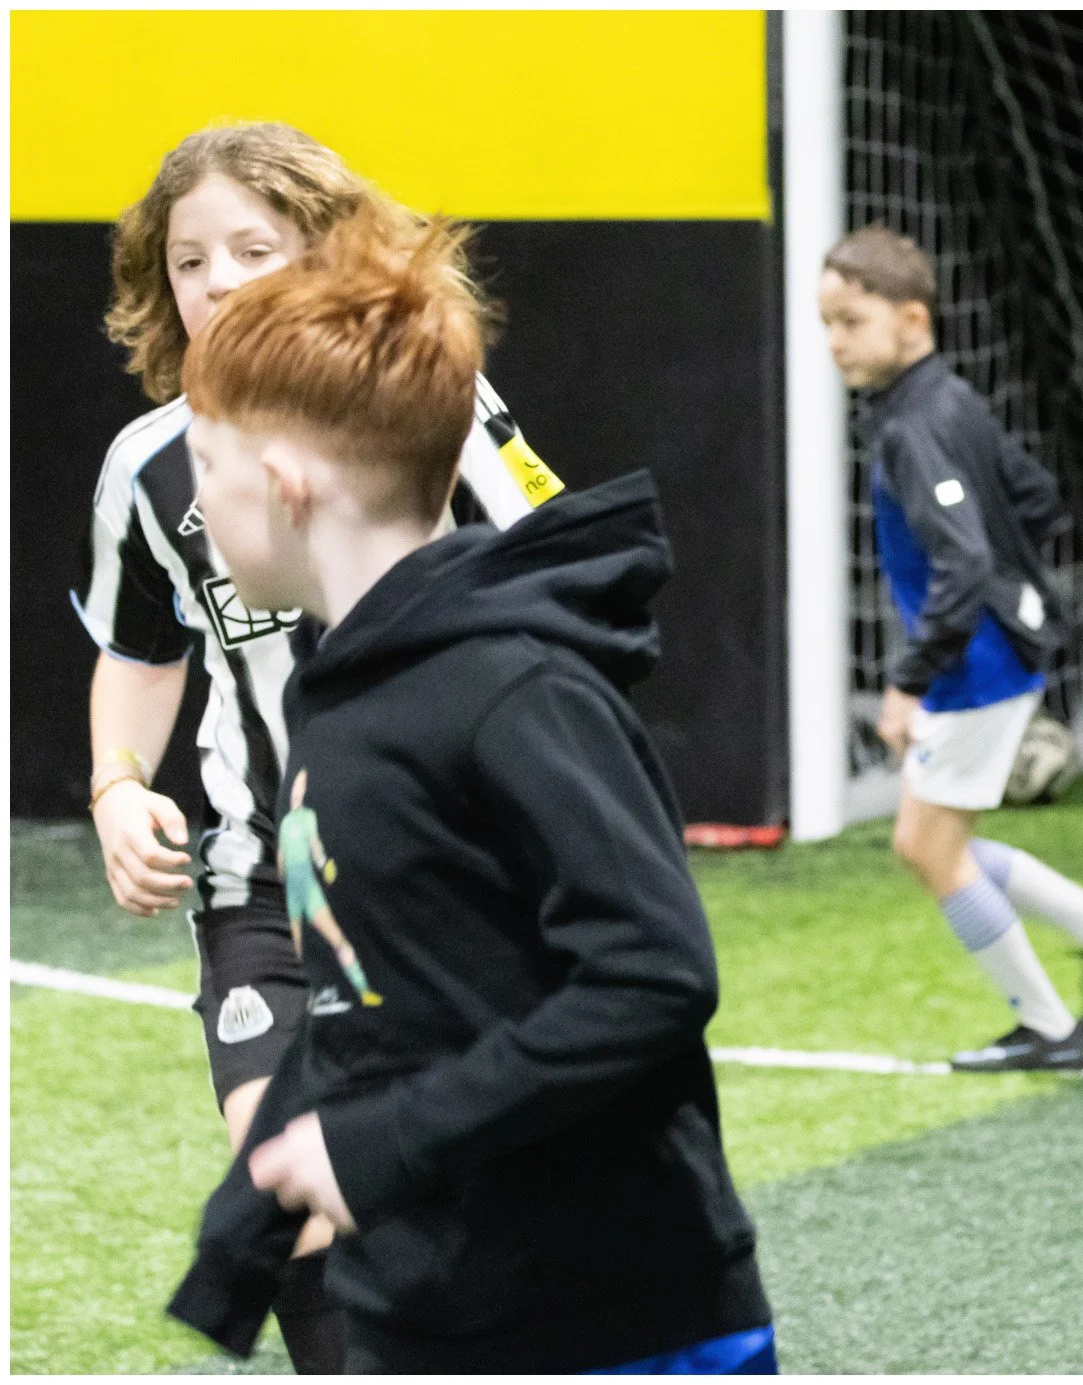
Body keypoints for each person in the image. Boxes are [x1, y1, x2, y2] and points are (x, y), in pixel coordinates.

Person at [165, 210, 773, 1373]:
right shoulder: (331, 702)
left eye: (207, 467)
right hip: (425, 1320)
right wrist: (252, 1211)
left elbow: (653, 975)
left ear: (285, 481)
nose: (198, 507)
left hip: (620, 1323)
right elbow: (361, 993)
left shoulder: (516, 690)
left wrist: (382, 1145)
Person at [74, 123, 562, 1370]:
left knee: (463, 1194)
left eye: (254, 246)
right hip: (258, 883)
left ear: (326, 253)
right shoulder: (147, 468)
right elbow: (142, 655)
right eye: (190, 258)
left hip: (437, 868)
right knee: (289, 1190)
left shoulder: (432, 405)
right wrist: (118, 783)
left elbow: (560, 568)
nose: (220, 279)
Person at [818, 226, 1083, 1072]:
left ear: (911, 318)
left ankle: (1052, 1024)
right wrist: (1017, 582)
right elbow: (1036, 498)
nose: (834, 341)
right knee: (931, 841)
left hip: (973, 664)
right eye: (826, 321)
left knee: (926, 847)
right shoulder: (950, 399)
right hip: (994, 649)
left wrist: (907, 683)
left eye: (851, 321)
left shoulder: (912, 426)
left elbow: (963, 557)